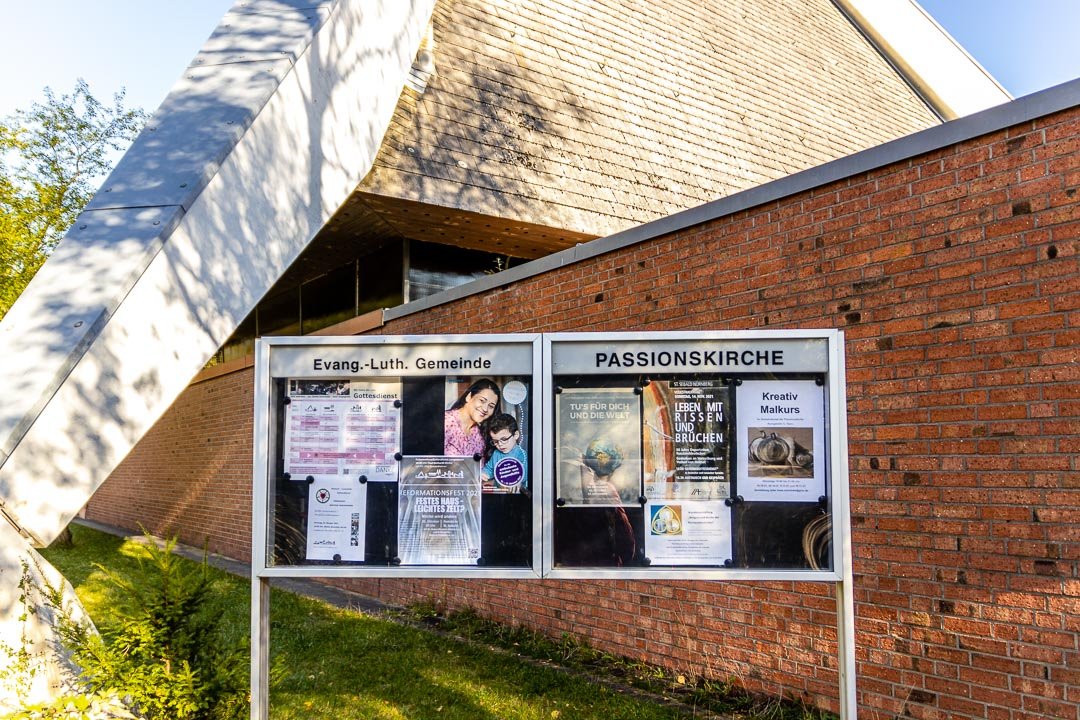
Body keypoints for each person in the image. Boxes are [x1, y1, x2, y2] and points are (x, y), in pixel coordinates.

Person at [444, 378, 500, 456]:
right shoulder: (446, 422)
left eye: (491, 406)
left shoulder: (480, 437)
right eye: (482, 400)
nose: (485, 409)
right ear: (469, 397)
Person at [481, 413, 528, 492]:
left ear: (516, 435)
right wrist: (483, 475)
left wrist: (516, 481)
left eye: (504, 439)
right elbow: (489, 469)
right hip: (500, 495)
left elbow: (525, 476)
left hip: (518, 495)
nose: (500, 444)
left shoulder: (522, 454)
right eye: (495, 441)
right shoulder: (496, 453)